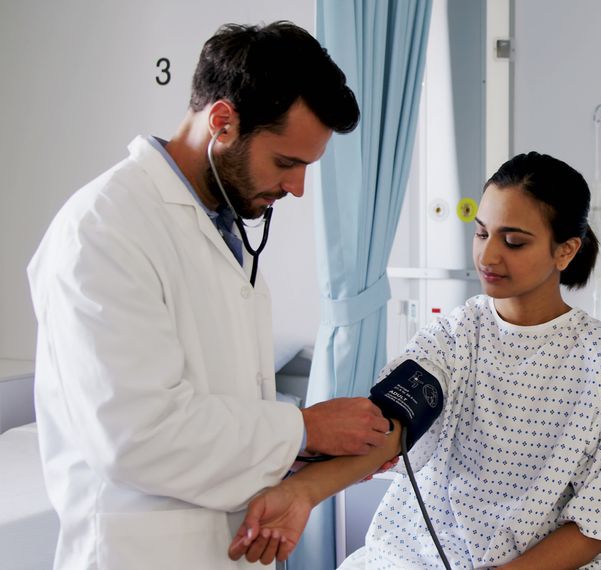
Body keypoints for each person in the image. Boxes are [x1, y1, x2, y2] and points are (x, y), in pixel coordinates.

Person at [27, 22, 392, 570]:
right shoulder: (103, 228)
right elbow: (135, 436)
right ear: (223, 122)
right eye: (287, 162)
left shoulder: (217, 225)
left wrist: (297, 456)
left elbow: (218, 397)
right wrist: (303, 428)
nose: (296, 188)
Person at [229, 152, 601, 569]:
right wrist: (303, 492)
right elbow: (394, 419)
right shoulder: (457, 334)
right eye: (482, 233)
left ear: (565, 251)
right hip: (419, 554)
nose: (488, 256)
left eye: (514, 241)